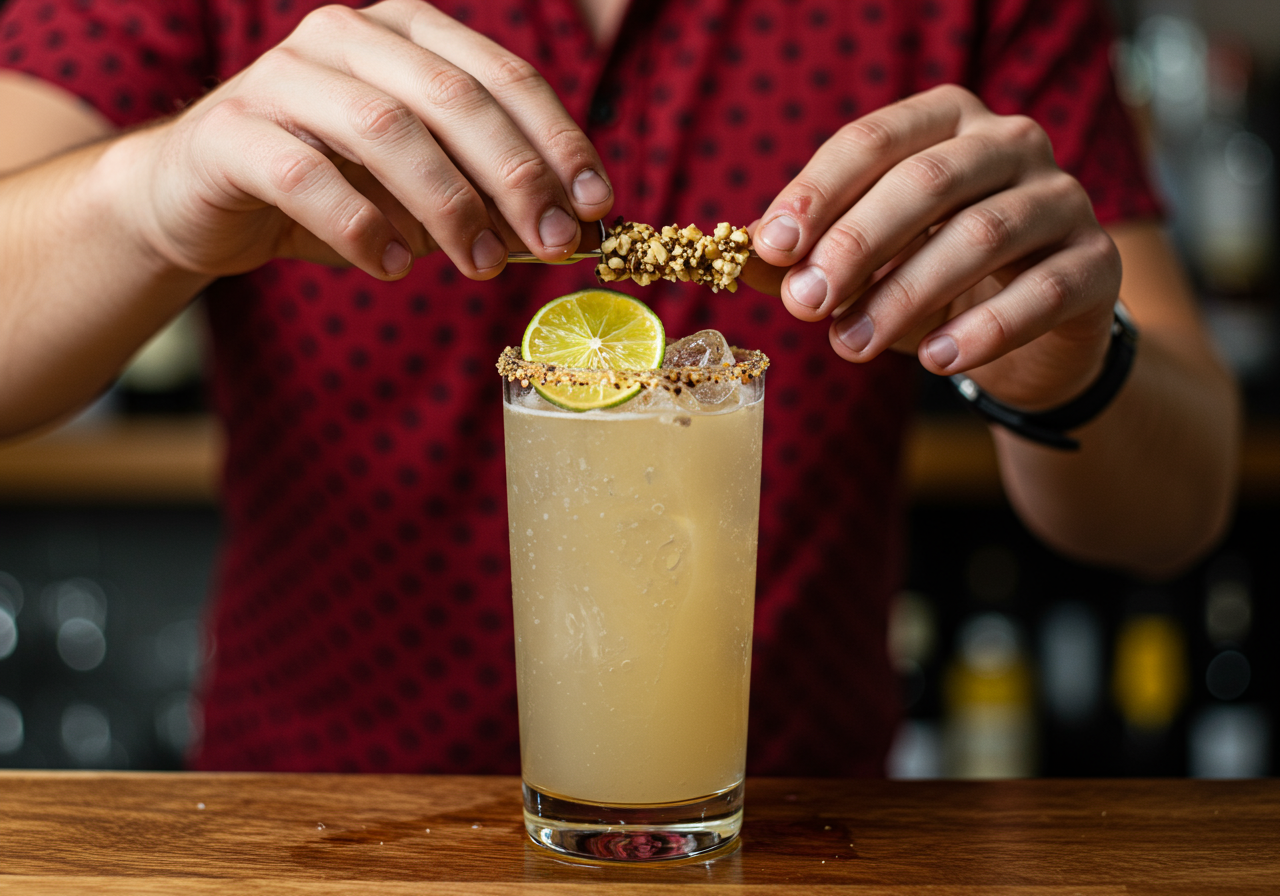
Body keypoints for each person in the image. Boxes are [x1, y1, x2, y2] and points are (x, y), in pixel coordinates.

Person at [0, 0, 1238, 775]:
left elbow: (1174, 507)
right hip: (315, 825)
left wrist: (1067, 365)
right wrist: (152, 195)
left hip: (787, 842)